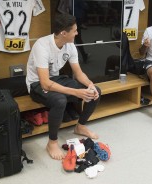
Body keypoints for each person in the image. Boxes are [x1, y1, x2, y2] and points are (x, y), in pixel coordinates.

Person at [26, 13, 101, 160]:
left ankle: (80, 126)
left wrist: (90, 85)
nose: (77, 33)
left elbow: (79, 73)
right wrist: (76, 92)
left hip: (56, 79)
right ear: (63, 33)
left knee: (95, 91)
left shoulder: (70, 45)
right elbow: (45, 83)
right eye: (75, 30)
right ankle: (52, 142)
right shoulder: (42, 46)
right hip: (36, 84)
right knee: (60, 100)